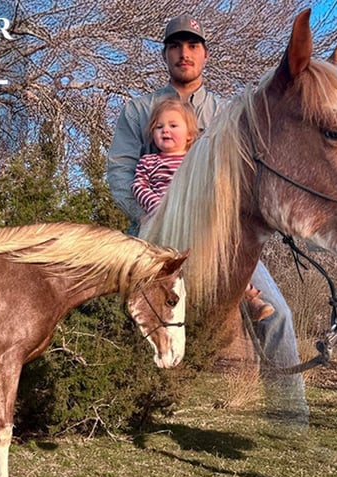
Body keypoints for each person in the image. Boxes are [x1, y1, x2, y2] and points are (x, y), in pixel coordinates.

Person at [106, 14, 309, 424]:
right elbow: (120, 175)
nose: (184, 53)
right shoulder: (139, 110)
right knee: (120, 312)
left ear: (205, 55)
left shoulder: (226, 112)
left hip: (219, 237)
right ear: (165, 54)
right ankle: (123, 409)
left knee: (276, 313)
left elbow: (245, 176)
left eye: (193, 46)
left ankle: (290, 418)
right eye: (175, 46)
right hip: (154, 234)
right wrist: (156, 220)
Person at [132, 96, 275, 322]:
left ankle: (250, 298)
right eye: (159, 127)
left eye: (173, 125)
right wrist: (155, 205)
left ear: (189, 135)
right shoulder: (149, 161)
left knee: (227, 253)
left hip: (194, 221)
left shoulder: (195, 162)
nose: (165, 130)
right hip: (161, 222)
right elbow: (139, 186)